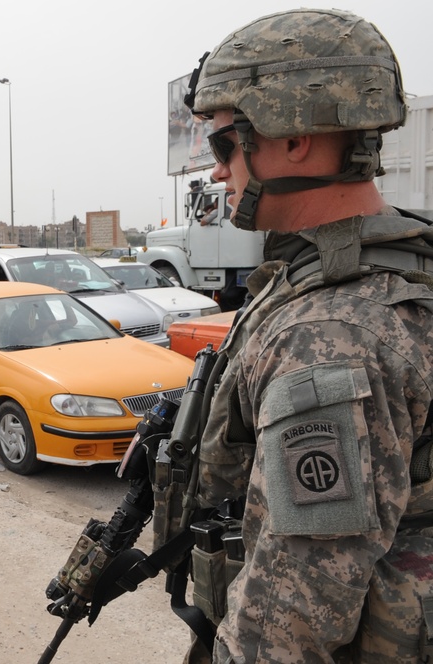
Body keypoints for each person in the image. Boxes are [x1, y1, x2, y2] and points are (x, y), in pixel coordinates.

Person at [168, 9, 433, 662]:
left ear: (296, 140)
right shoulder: (379, 257)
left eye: (227, 144)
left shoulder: (333, 334)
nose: (218, 170)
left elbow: (290, 621)